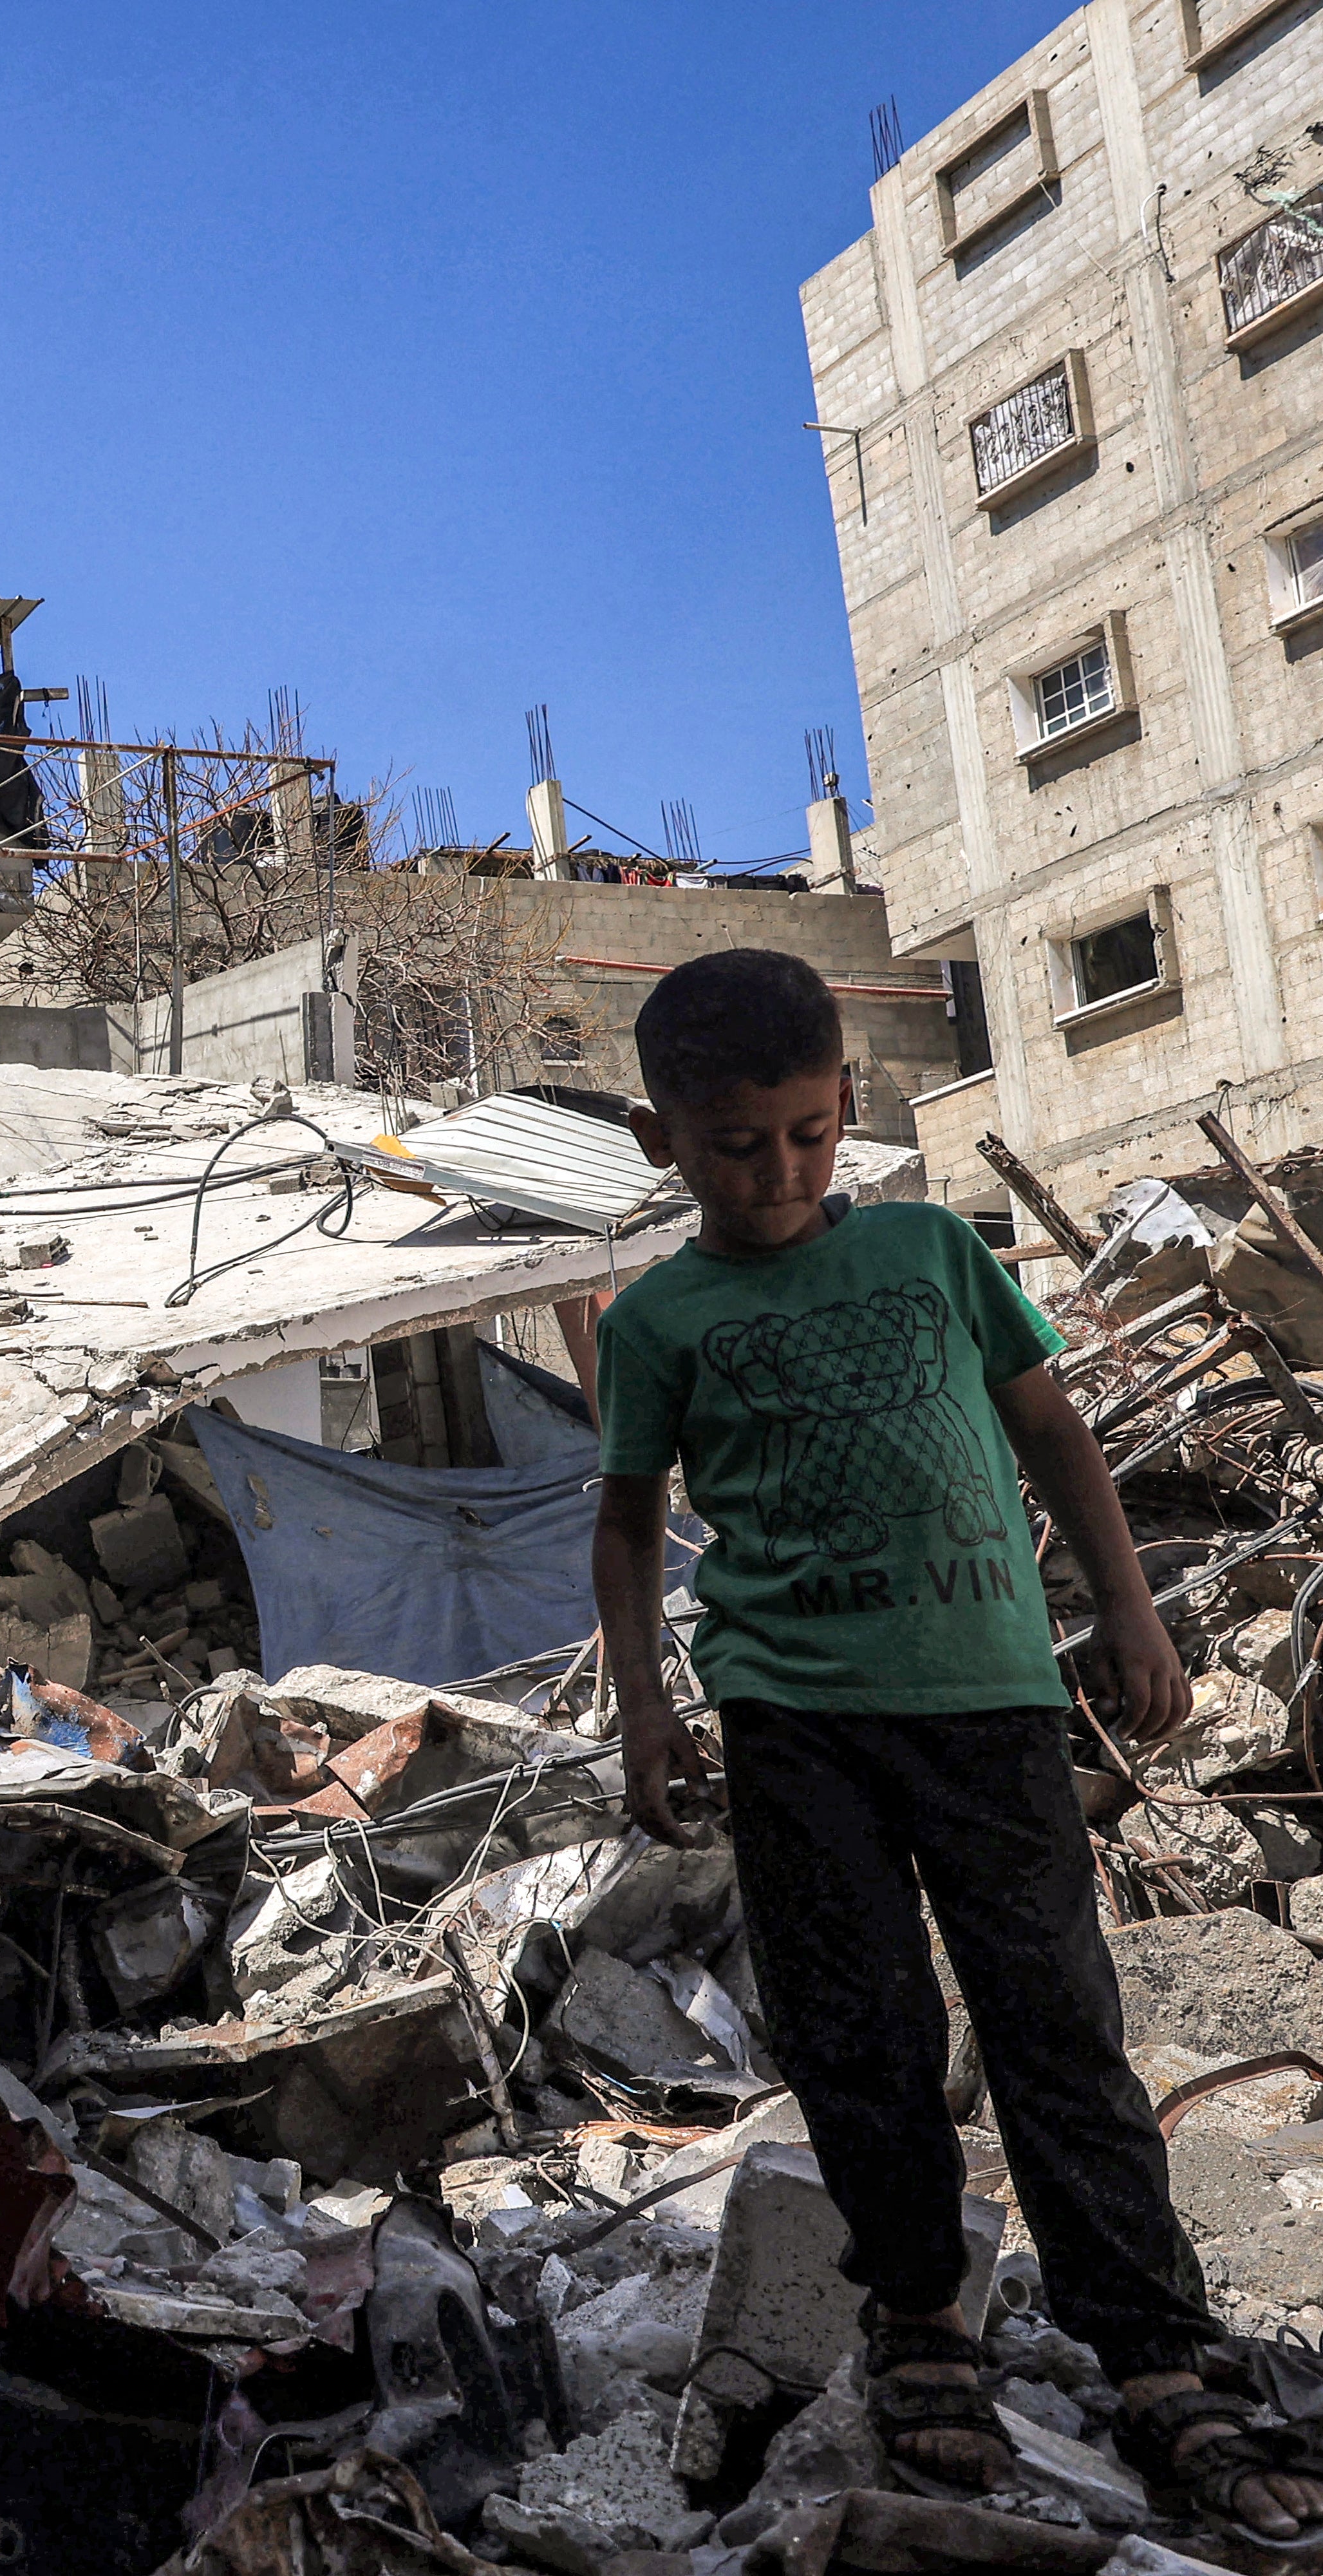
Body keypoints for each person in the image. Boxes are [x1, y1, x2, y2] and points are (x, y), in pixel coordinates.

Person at [591, 950, 1323, 2543]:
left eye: (803, 1132)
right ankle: (920, 2318)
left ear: (846, 1105)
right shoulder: (656, 1319)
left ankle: (1157, 2350)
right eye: (734, 1145)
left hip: (986, 1701)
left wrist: (1133, 1616)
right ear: (663, 1144)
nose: (777, 1172)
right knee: (859, 2034)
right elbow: (632, 1519)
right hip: (792, 1721)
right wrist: (650, 1705)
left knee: (1056, 2020)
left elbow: (1052, 1426)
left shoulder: (931, 1252)